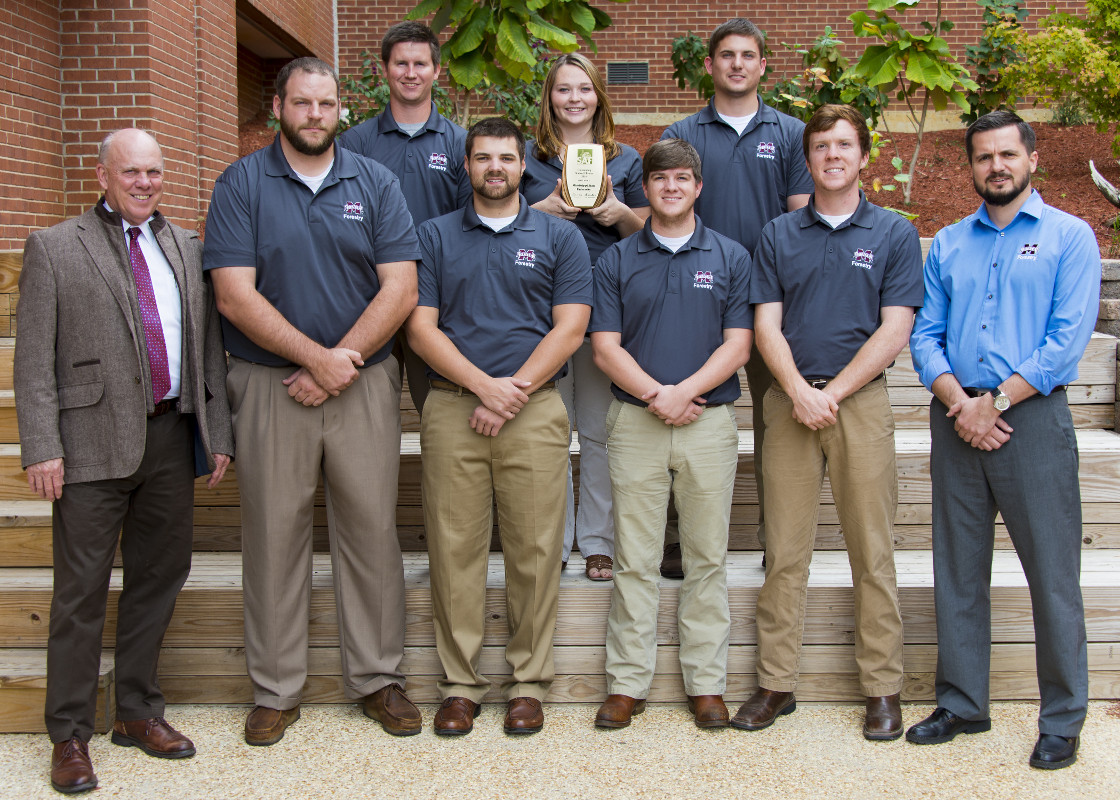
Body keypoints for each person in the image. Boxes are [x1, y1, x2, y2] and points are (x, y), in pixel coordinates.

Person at [203, 57, 422, 745]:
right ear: (278, 107)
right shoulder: (241, 183)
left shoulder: (376, 181)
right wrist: (314, 359)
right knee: (273, 536)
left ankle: (379, 677)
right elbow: (234, 294)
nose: (315, 116)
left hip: (362, 383)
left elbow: (400, 289)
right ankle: (275, 688)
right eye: (302, 104)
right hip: (270, 386)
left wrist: (339, 362)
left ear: (340, 111)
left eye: (326, 105)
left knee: (370, 533)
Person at [15, 128, 233, 794]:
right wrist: (42, 445)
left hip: (171, 439)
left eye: (155, 172)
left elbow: (206, 349)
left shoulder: (184, 246)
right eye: (132, 172)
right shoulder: (55, 246)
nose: (145, 183)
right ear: (103, 175)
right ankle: (71, 734)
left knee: (158, 579)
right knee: (79, 596)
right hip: (87, 446)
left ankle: (137, 712)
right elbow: (33, 361)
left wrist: (216, 432)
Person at [906, 110, 1100, 769]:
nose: (996, 166)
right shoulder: (951, 244)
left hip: (1032, 420)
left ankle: (1063, 719)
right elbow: (925, 334)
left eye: (1007, 155)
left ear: (1032, 159)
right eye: (984, 156)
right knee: (957, 570)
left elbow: (1066, 340)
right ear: (971, 167)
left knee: (1052, 575)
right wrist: (961, 402)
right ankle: (962, 703)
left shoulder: (1069, 239)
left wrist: (997, 402)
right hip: (956, 415)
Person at [732, 104, 923, 740]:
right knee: (784, 552)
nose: (832, 156)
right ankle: (776, 683)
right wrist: (796, 391)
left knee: (873, 552)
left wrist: (833, 393)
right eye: (821, 147)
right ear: (807, 158)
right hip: (789, 404)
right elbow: (766, 324)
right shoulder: (779, 235)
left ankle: (882, 688)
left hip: (859, 405)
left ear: (864, 156)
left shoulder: (893, 233)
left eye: (845, 145)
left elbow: (895, 328)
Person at [405, 116, 592, 736]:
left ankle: (528, 684)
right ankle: (459, 686)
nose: (495, 168)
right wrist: (485, 387)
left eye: (506, 159)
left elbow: (570, 328)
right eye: (483, 158)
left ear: (523, 167)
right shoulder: (433, 236)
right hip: (454, 408)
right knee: (454, 551)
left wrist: (512, 392)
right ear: (466, 166)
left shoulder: (560, 239)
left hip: (534, 412)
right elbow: (420, 328)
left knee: (536, 552)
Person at [590, 139, 752, 730]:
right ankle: (627, 684)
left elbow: (739, 343)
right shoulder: (616, 260)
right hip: (636, 423)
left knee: (707, 557)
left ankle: (706, 684)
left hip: (708, 423)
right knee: (635, 559)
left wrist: (684, 394)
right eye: (661, 179)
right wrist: (659, 395)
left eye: (683, 178)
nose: (672, 187)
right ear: (647, 188)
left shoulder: (731, 257)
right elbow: (605, 348)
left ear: (698, 187)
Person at [660, 18, 814, 578]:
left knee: (781, 427)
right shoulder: (680, 136)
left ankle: (781, 539)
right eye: (726, 55)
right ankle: (679, 537)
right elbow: (666, 210)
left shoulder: (793, 134)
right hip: (699, 297)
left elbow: (802, 219)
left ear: (763, 65)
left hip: (775, 302)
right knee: (686, 417)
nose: (737, 64)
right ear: (709, 65)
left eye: (748, 55)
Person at [520, 53, 650, 580]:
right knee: (549, 431)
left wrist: (616, 211)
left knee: (597, 432)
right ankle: (551, 540)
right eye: (563, 89)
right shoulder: (527, 159)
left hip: (604, 310)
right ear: (549, 98)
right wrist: (543, 211)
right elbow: (491, 221)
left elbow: (654, 237)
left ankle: (598, 539)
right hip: (536, 310)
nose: (574, 99)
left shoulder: (626, 160)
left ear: (600, 95)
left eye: (584, 89)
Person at [339, 21, 470, 415]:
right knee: (362, 414)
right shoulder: (354, 144)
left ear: (436, 70)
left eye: (420, 63)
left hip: (435, 299)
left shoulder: (459, 143)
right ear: (385, 69)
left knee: (437, 411)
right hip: (366, 296)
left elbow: (468, 225)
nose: (410, 73)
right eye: (400, 64)